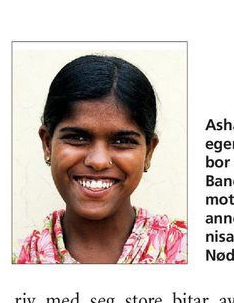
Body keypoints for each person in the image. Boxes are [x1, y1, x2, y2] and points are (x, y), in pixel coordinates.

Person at [15, 54, 187, 265]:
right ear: (47, 144)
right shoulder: (20, 259)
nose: (98, 161)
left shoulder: (184, 252)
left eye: (123, 140)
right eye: (77, 138)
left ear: (148, 152)